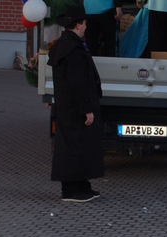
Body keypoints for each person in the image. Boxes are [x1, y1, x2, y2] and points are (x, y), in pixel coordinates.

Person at [47, 6, 104, 202]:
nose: (86, 27)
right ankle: (71, 189)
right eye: (85, 23)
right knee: (76, 148)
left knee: (78, 146)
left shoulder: (65, 45)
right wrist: (86, 109)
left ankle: (81, 185)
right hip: (75, 108)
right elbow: (78, 82)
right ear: (78, 25)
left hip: (68, 107)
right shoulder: (73, 49)